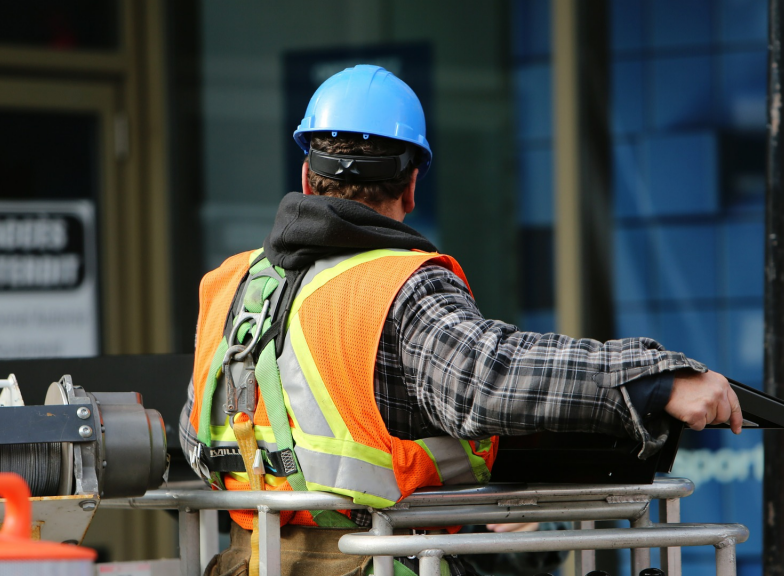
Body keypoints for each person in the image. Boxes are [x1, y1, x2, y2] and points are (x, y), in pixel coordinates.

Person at [179, 64, 742, 576]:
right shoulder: (397, 286)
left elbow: (196, 434)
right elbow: (486, 379)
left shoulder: (231, 286)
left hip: (252, 563)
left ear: (306, 177)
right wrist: (655, 379)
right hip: (374, 564)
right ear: (413, 185)